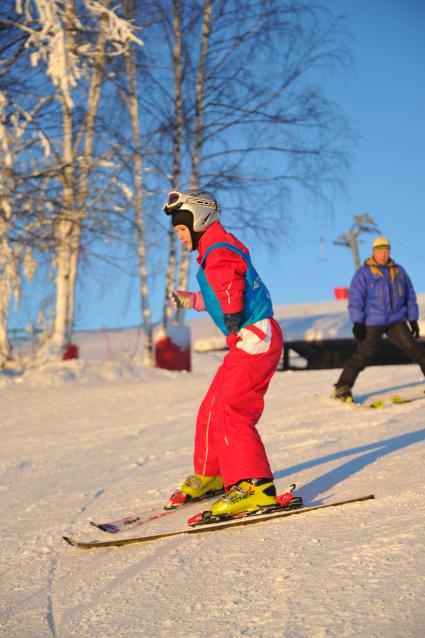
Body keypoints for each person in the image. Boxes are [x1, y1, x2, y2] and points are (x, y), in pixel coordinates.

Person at [163, 188, 284, 519]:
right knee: (212, 408)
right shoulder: (213, 251)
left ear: (198, 221)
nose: (181, 237)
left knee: (232, 410)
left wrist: (230, 313)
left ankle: (253, 486)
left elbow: (230, 286)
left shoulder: (219, 250)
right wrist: (194, 300)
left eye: (182, 229)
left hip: (255, 337)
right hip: (246, 339)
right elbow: (221, 293)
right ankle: (212, 473)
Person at [333, 236, 425, 401]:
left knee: (415, 350)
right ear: (374, 252)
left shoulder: (399, 271)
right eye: (379, 251)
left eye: (385, 251)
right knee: (363, 354)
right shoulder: (364, 273)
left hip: (396, 320)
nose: (382, 255)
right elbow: (355, 299)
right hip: (373, 321)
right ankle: (342, 387)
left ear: (389, 252)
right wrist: (358, 322)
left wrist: (412, 319)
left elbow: (410, 296)